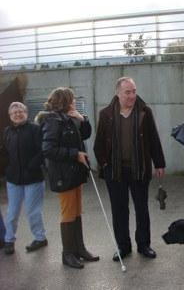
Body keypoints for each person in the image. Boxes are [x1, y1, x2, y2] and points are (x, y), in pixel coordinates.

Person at [94, 77, 165, 261]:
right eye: (127, 92)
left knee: (142, 209)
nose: (132, 95)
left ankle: (144, 245)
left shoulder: (144, 112)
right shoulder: (106, 114)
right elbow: (99, 144)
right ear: (118, 93)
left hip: (139, 169)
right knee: (119, 211)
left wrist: (159, 163)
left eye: (134, 91)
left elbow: (153, 138)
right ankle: (123, 247)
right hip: (115, 171)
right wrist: (104, 165)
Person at [39, 87, 99, 269]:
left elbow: (85, 134)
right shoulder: (52, 120)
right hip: (63, 175)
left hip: (75, 173)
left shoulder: (69, 118)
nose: (74, 102)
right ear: (65, 101)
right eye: (71, 99)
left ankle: (79, 249)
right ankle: (68, 254)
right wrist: (75, 154)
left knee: (77, 211)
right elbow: (48, 150)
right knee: (68, 212)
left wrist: (83, 119)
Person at [1, 102, 47, 255]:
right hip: (13, 180)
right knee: (12, 212)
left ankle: (40, 238)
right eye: (14, 112)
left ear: (26, 113)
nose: (18, 114)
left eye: (20, 111)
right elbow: (5, 153)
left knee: (33, 211)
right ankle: (9, 240)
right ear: (10, 116)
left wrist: (31, 166)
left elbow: (43, 150)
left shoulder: (35, 129)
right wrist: (7, 169)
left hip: (33, 179)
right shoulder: (7, 131)